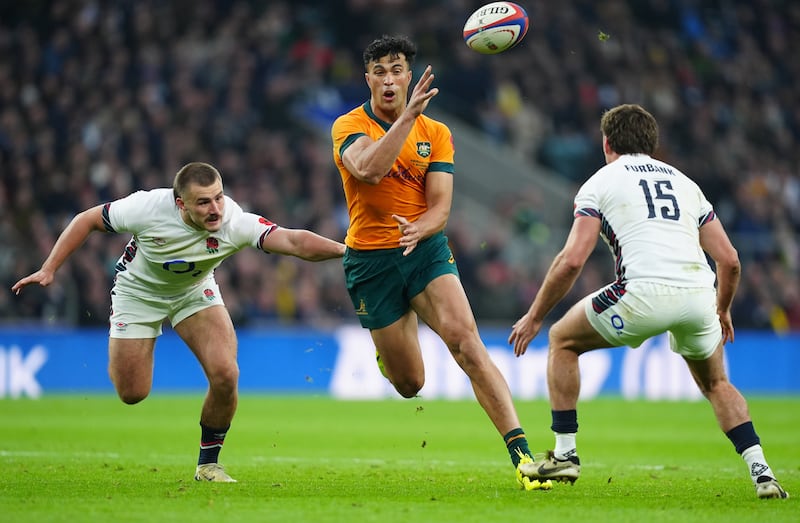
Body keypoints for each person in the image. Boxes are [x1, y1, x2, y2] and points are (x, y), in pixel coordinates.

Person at [509, 104, 788, 499]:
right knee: (716, 384)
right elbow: (730, 260)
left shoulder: (600, 182)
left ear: (607, 143)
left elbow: (572, 260)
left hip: (640, 294)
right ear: (652, 145)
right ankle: (762, 473)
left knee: (562, 339)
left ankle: (565, 455)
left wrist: (534, 315)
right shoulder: (687, 184)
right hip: (698, 296)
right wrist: (722, 308)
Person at [12, 162, 346, 483]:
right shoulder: (146, 207)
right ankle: (125, 344)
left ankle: (209, 464)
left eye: (218, 196)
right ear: (180, 204)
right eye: (203, 202)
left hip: (193, 292)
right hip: (138, 293)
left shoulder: (234, 220)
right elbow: (86, 220)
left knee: (226, 374)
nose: (215, 208)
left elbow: (293, 241)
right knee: (132, 393)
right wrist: (49, 267)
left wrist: (346, 251)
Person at [330, 34, 547, 490]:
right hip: (370, 261)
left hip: (423, 252)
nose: (389, 80)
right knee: (410, 383)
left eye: (397, 71)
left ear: (408, 76)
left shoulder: (438, 134)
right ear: (367, 77)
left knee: (466, 343)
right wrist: (408, 118)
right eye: (380, 71)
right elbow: (368, 170)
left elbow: (441, 207)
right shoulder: (348, 126)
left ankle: (524, 457)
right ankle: (388, 350)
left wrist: (424, 228)